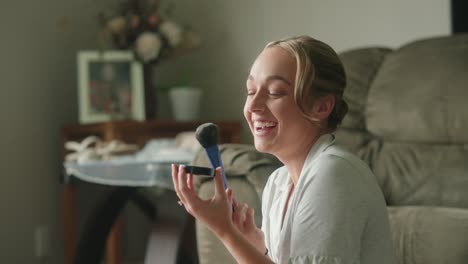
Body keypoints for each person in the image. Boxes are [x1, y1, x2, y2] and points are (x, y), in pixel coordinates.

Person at [172, 35, 396, 264]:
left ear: (322, 107)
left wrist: (225, 231)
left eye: (275, 92)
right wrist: (255, 243)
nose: (253, 106)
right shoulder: (278, 182)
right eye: (250, 91)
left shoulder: (333, 174)